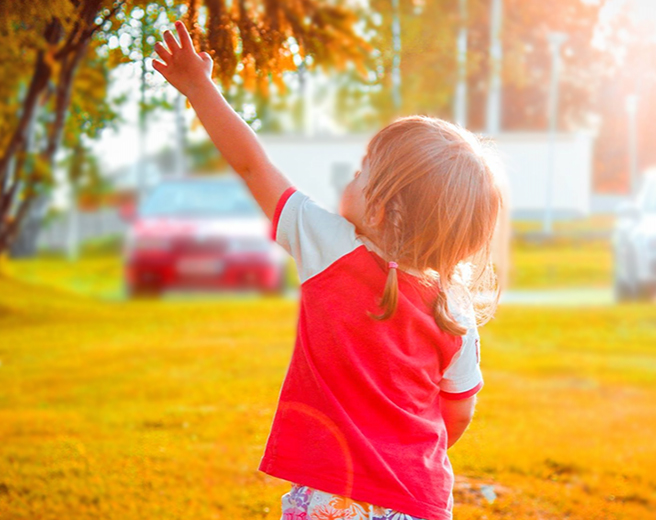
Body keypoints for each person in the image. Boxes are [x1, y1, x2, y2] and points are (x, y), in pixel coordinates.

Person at [153, 21, 504, 520]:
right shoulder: (455, 311)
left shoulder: (330, 248)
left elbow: (253, 165)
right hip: (418, 501)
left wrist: (199, 88)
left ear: (382, 209)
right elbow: (457, 412)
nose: (351, 177)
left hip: (332, 497)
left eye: (363, 171)